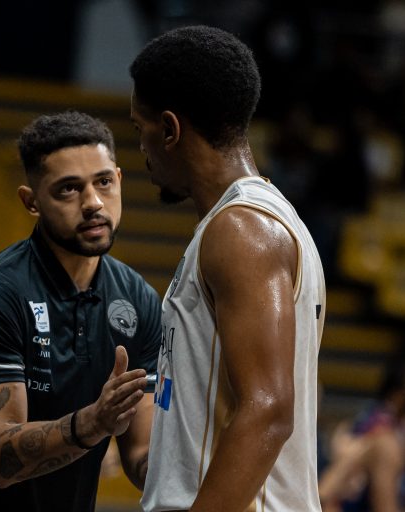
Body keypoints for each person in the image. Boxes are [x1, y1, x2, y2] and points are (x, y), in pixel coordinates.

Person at [130, 25, 326, 511]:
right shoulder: (252, 223)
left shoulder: (241, 230)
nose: (140, 150)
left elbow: (269, 410)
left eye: (139, 130)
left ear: (170, 130)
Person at [0, 111, 161, 511]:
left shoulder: (138, 298)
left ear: (120, 180)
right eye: (69, 189)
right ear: (30, 201)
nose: (93, 202)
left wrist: (212, 460)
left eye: (104, 182)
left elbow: (141, 456)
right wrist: (93, 423)